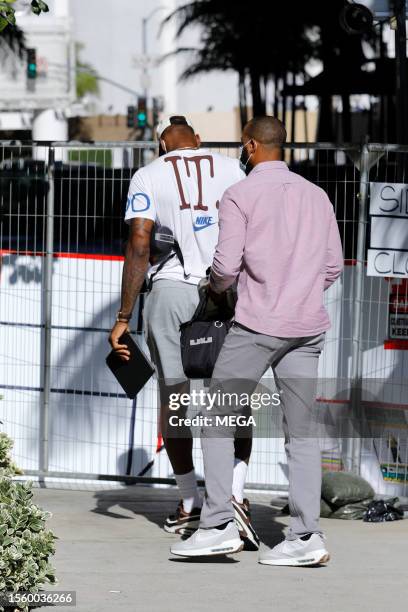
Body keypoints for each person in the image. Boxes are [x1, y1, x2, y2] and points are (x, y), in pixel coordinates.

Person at [171, 116, 344, 564]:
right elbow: (333, 267)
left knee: (214, 420)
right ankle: (307, 537)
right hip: (306, 328)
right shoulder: (317, 196)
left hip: (256, 326)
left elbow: (226, 268)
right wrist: (298, 292)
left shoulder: (240, 195)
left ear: (250, 145)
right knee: (301, 434)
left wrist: (215, 289)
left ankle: (217, 524)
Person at [108, 115, 259, 548]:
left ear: (161, 147)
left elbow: (139, 244)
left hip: (172, 290)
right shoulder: (232, 167)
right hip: (224, 287)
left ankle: (190, 502)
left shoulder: (148, 175)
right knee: (231, 392)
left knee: (174, 395)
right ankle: (235, 493)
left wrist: (123, 315)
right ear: (198, 140)